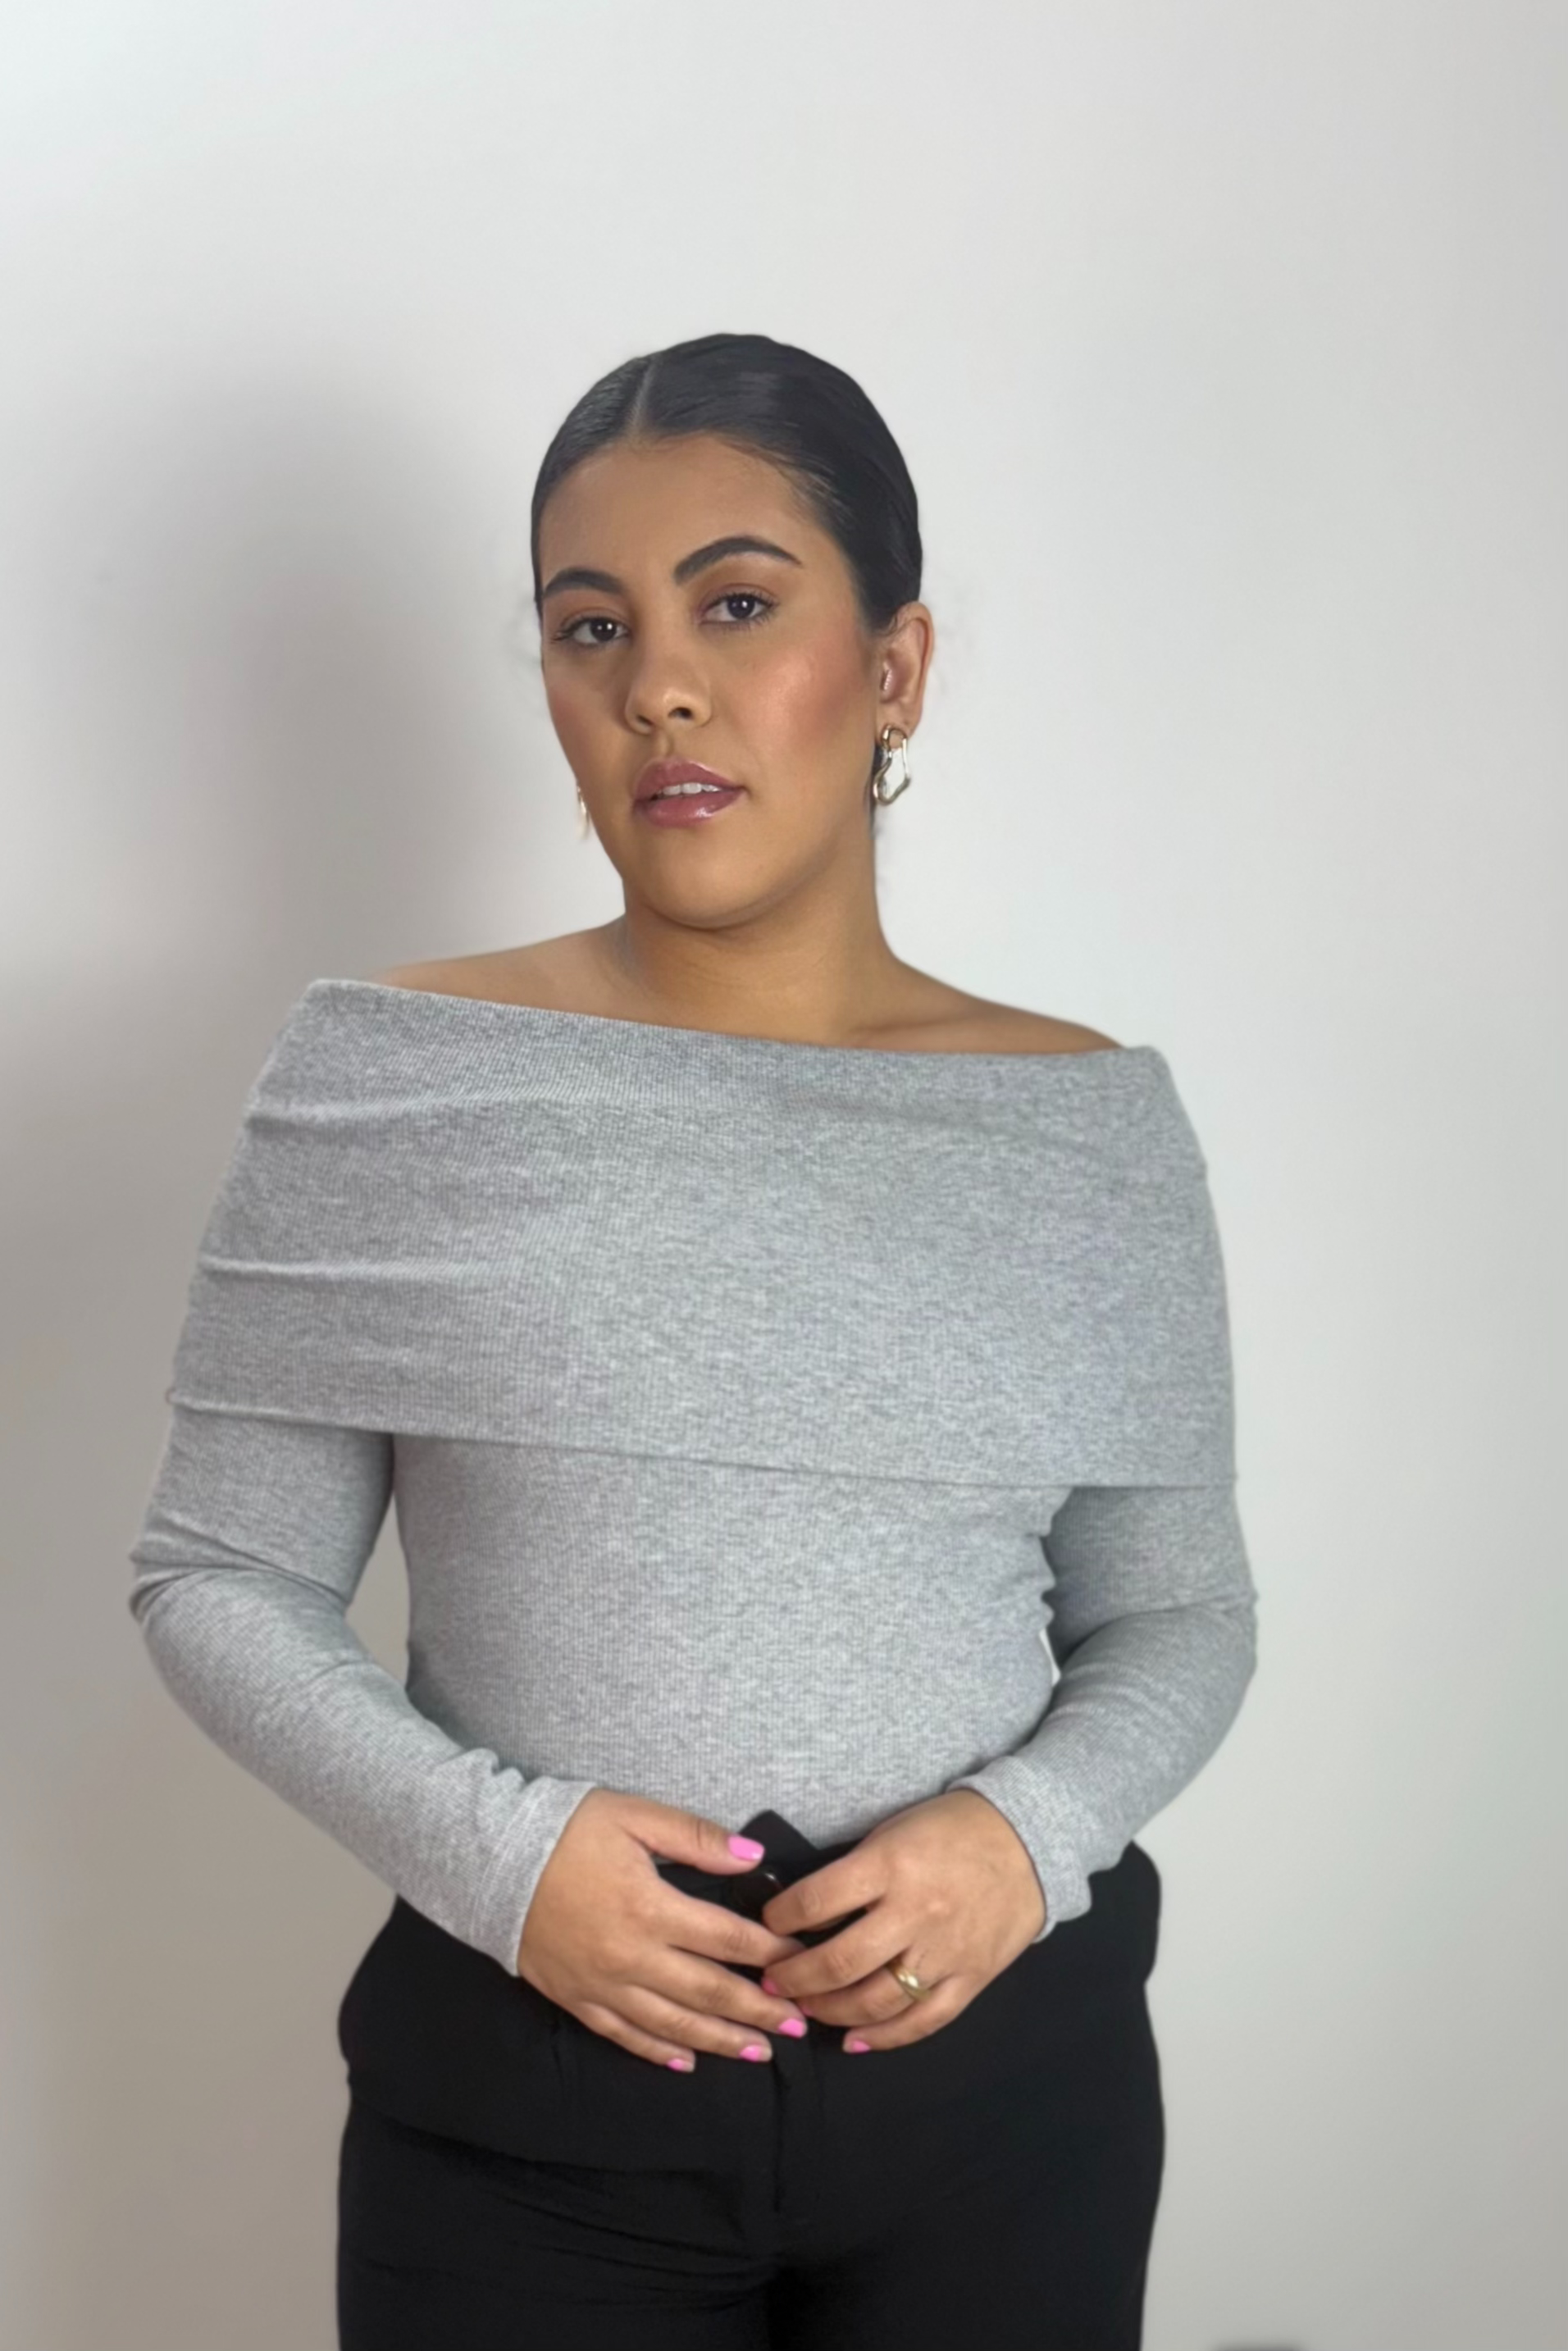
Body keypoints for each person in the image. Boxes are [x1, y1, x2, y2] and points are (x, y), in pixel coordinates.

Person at [128, 330, 1259, 2351]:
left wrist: (1023, 1838)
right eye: (591, 627)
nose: (656, 683)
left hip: (1005, 2097)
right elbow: (219, 1573)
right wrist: (502, 1857)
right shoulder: (391, 1076)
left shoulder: (1087, 1127)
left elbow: (1173, 1610)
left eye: (735, 603)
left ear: (894, 666)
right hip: (523, 2107)